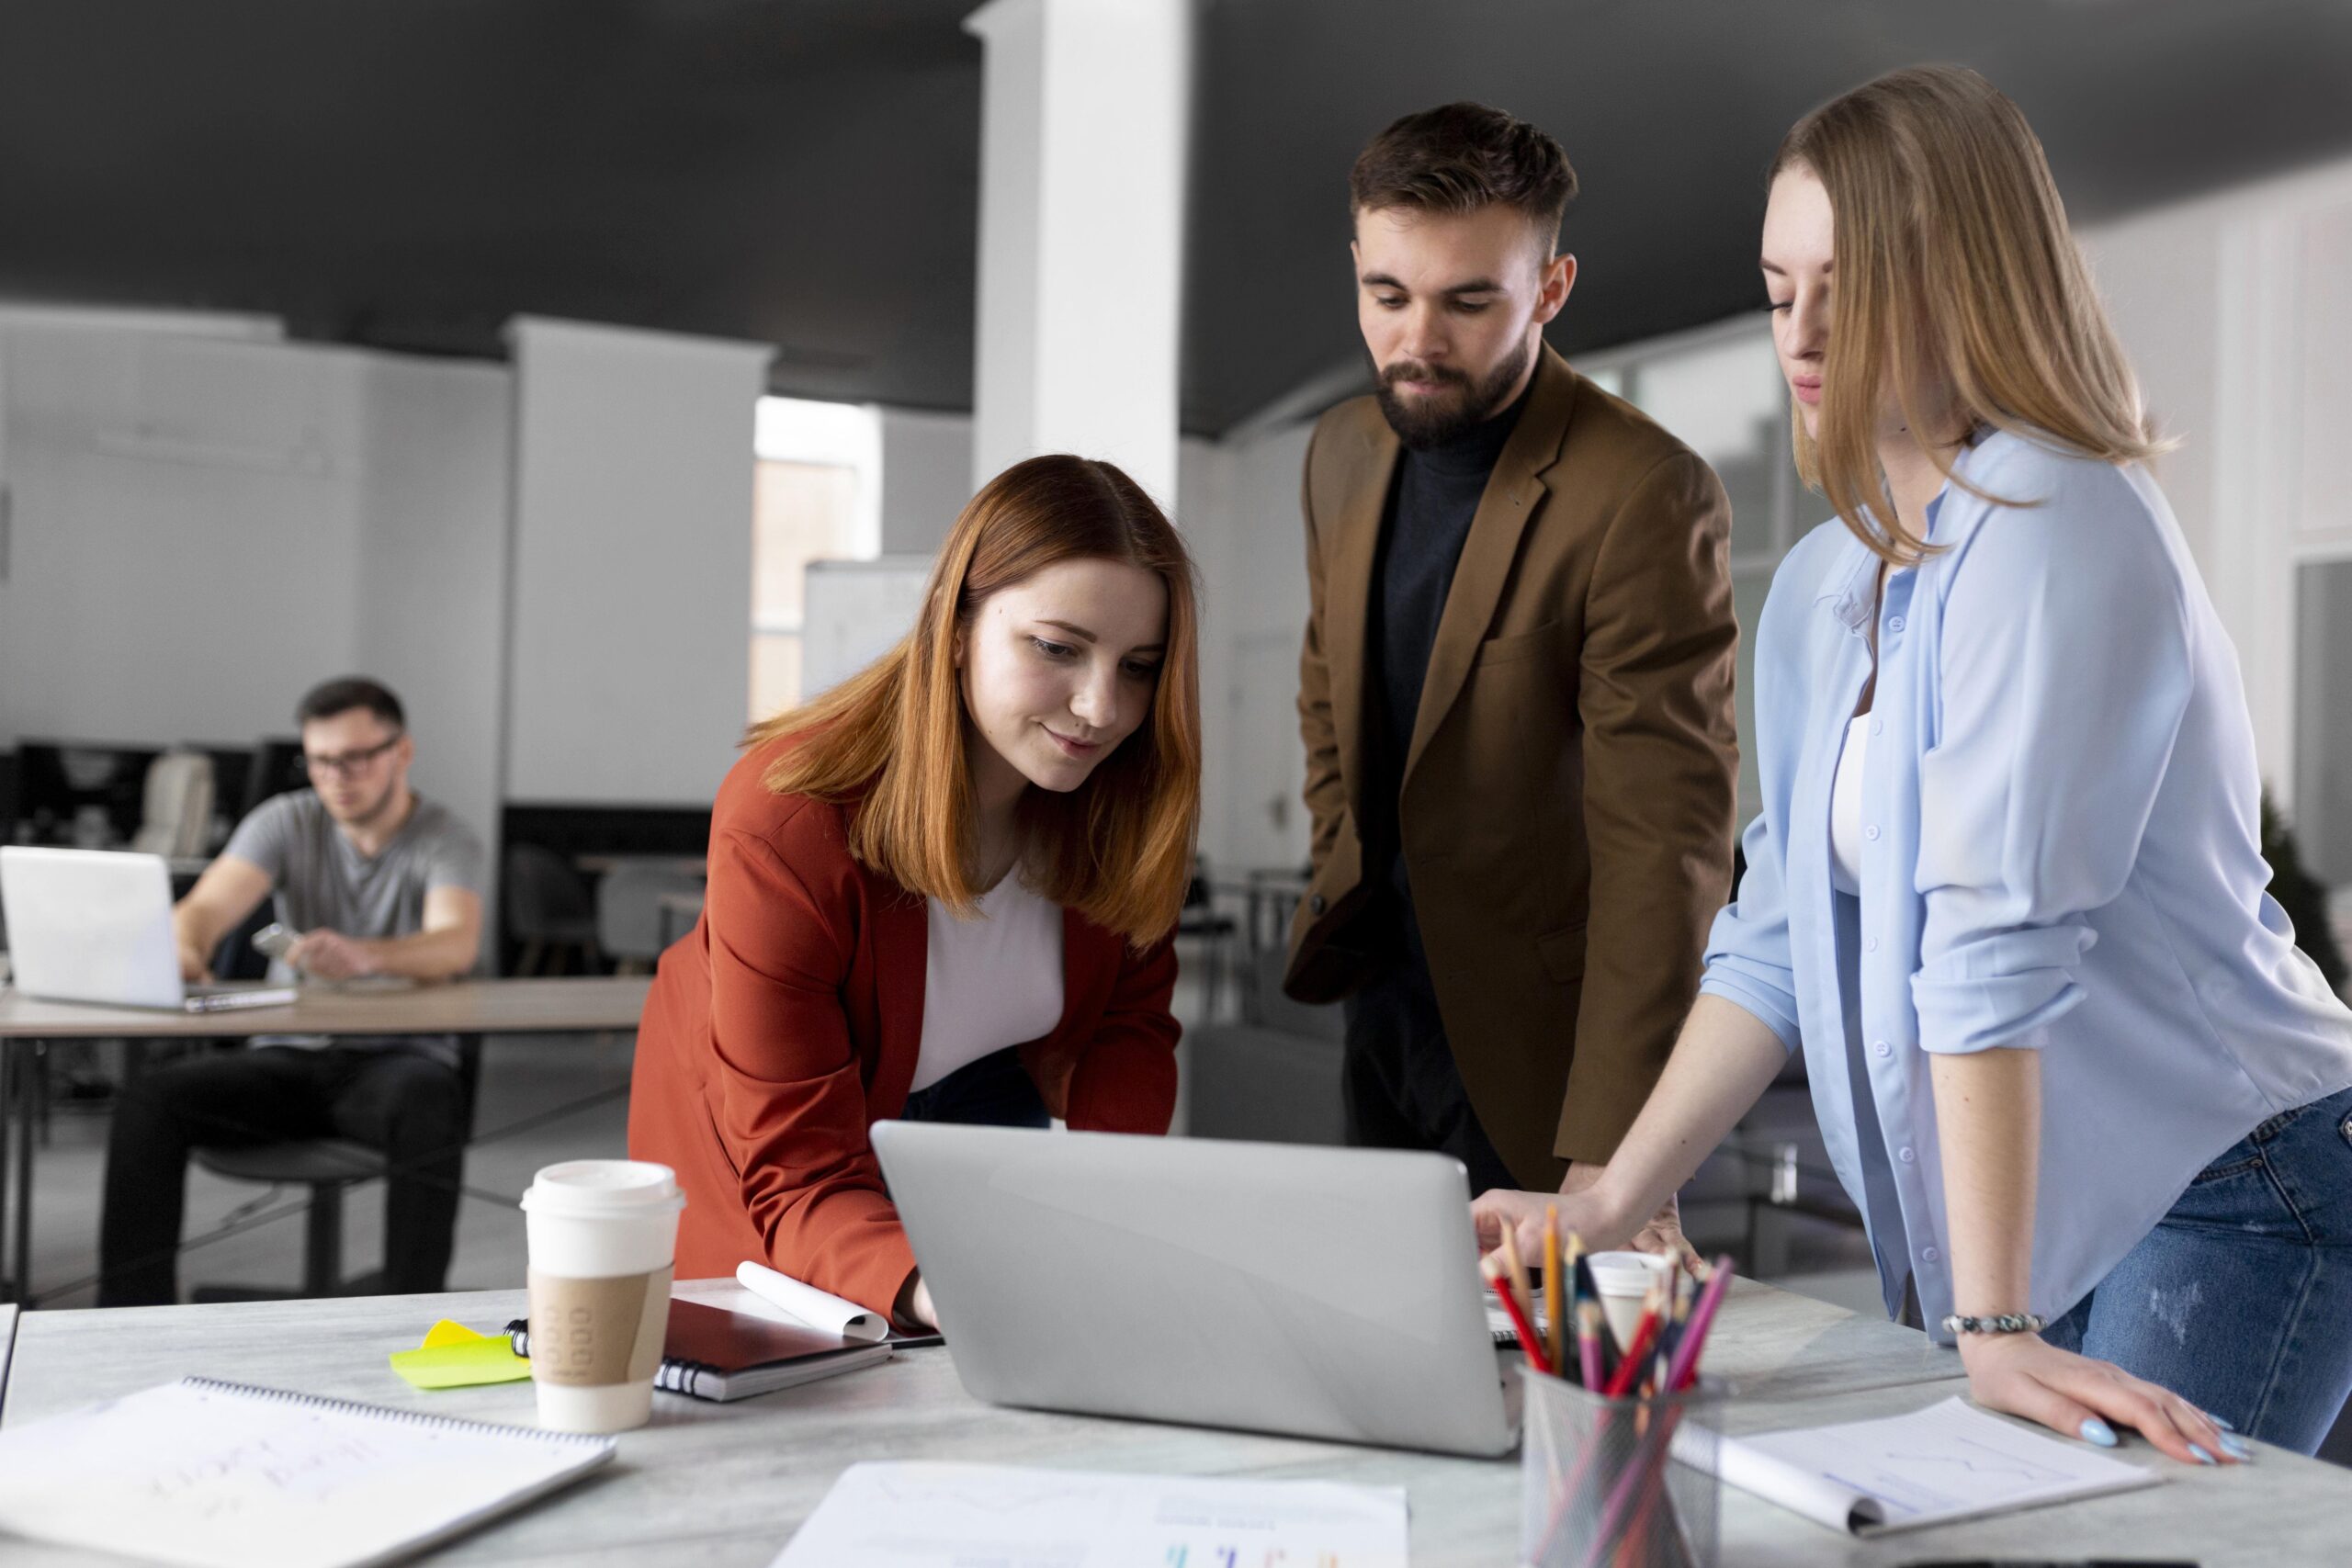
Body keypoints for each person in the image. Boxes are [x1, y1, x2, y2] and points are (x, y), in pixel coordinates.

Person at [1474, 65, 2352, 1461]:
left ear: (1969, 279)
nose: (1804, 330)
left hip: (2231, 1170)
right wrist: (1596, 1204)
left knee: (2106, 1549)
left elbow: (1992, 937)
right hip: (2048, 1191)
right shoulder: (1834, 581)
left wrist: (1990, 1325)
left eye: (1850, 281)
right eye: (1778, 289)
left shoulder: (2062, 515)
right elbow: (1769, 940)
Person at [1288, 102, 1738, 1247]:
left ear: (1549, 287)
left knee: (1557, 1409)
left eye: (1467, 300)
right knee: (1392, 1370)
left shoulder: (1644, 491)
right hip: (1379, 1013)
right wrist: (1340, 861)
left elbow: (1665, 843)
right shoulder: (1341, 449)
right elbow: (1327, 695)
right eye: (1386, 296)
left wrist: (1613, 1160)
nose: (1417, 340)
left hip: (1544, 1055)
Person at [628, 455, 1201, 1329]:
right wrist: (957, 1289)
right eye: (1057, 648)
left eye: (1139, 666)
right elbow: (803, 1174)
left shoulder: (1121, 801)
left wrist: (1109, 1220)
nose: (1100, 707)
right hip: (767, 1137)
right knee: (811, 1371)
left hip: (977, 1097)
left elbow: (1128, 1031)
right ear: (958, 623)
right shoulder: (789, 819)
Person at [98, 676, 487, 1305]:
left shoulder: (446, 837)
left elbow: (454, 944)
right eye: (320, 759)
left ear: (401, 752)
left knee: (429, 1098)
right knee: (150, 1102)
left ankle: (414, 1308)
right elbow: (202, 909)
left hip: (394, 1063)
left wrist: (367, 957)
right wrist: (187, 949)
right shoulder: (285, 819)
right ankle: (128, 1318)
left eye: (356, 757)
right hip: (285, 1060)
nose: (337, 774)